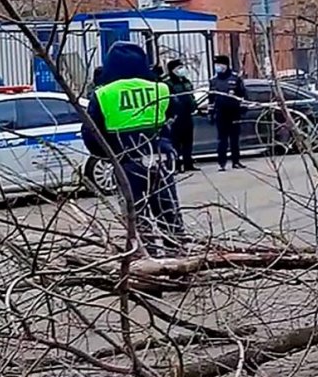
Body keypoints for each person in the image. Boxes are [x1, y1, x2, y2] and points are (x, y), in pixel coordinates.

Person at [81, 42, 185, 255]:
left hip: (127, 163)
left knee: (138, 218)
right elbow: (177, 117)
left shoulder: (103, 95)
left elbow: (91, 134)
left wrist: (109, 155)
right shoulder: (160, 88)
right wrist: (166, 143)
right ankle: (179, 262)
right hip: (161, 160)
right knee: (169, 214)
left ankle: (151, 266)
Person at [209, 55, 246, 172]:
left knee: (234, 139)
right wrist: (210, 113)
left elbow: (243, 94)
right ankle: (222, 163)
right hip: (221, 114)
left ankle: (236, 161)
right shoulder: (213, 81)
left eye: (220, 64)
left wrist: (242, 109)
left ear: (226, 65)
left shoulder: (235, 78)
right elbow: (211, 99)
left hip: (234, 112)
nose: (218, 67)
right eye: (216, 65)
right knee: (222, 140)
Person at [164, 59, 198, 172]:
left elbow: (191, 97)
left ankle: (188, 163)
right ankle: (177, 165)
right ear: (172, 70)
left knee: (188, 141)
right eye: (178, 68)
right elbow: (168, 101)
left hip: (187, 116)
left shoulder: (186, 82)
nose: (181, 70)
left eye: (182, 67)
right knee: (175, 142)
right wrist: (170, 115)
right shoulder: (168, 84)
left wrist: (194, 106)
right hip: (175, 117)